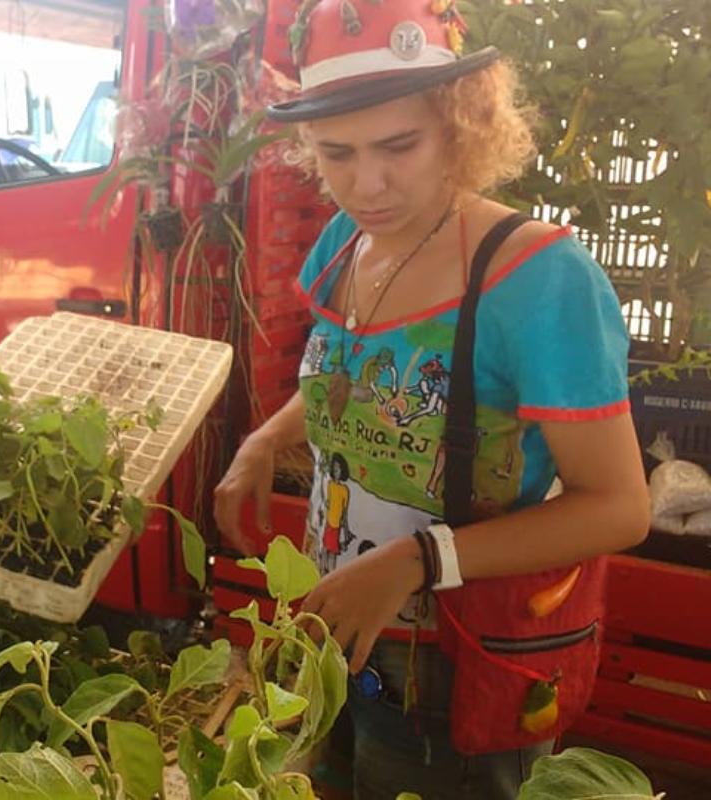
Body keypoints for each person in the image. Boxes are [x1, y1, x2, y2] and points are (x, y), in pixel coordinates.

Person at [213, 2, 649, 798]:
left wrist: (416, 561)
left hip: (458, 662)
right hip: (337, 630)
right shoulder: (344, 245)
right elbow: (349, 379)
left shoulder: (536, 279)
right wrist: (264, 442)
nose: (366, 184)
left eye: (399, 146)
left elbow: (619, 507)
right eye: (336, 153)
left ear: (461, 123)